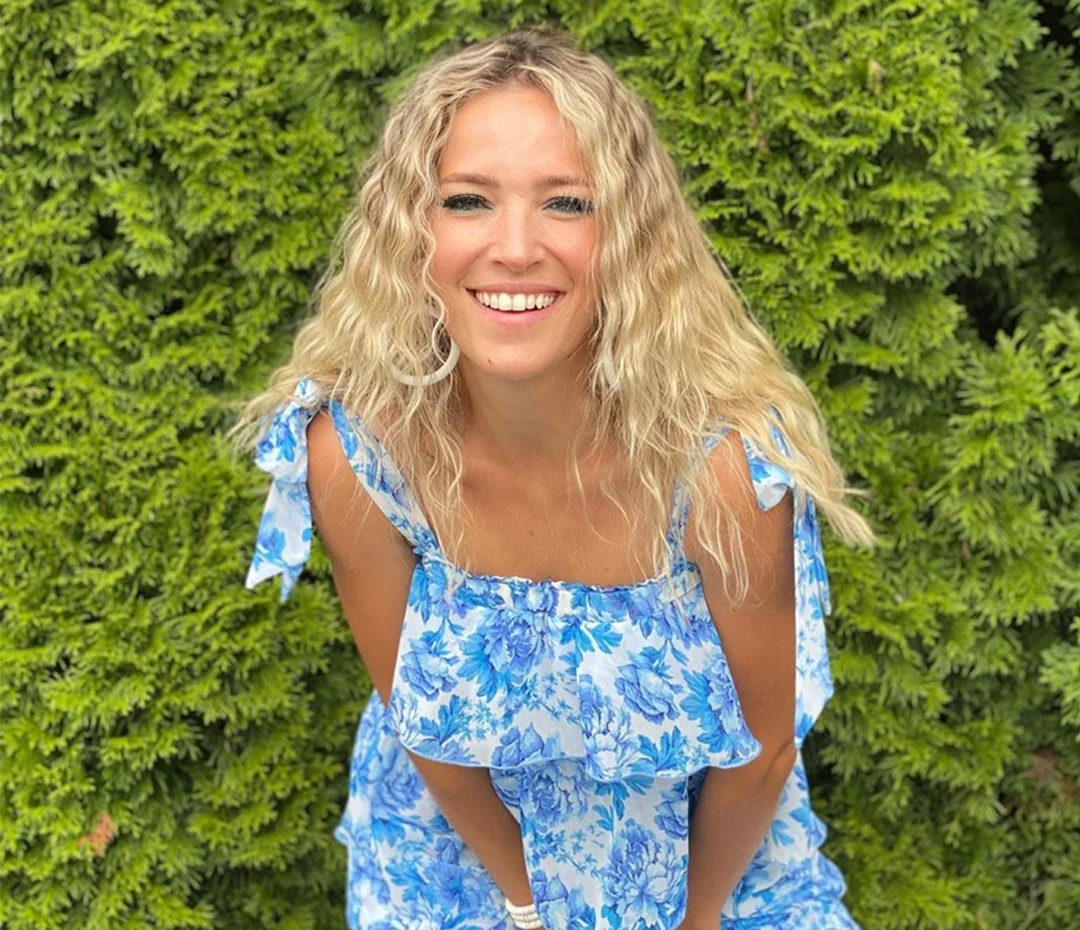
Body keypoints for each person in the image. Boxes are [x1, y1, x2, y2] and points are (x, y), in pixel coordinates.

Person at [230, 25, 876, 930]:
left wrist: (688, 922)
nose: (515, 247)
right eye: (467, 201)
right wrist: (530, 908)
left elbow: (764, 753)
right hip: (460, 860)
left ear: (631, 237)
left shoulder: (721, 469)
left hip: (712, 871)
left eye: (567, 203)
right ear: (412, 232)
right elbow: (417, 720)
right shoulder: (358, 455)